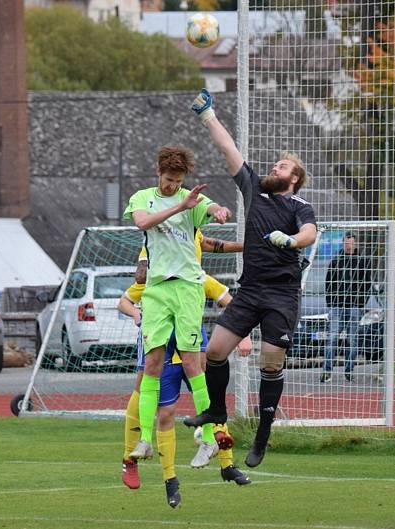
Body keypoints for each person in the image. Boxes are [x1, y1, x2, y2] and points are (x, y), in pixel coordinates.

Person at [183, 89, 317, 468]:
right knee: (215, 351)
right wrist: (208, 116)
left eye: (283, 167)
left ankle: (262, 437)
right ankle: (214, 414)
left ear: (295, 180)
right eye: (274, 165)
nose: (275, 168)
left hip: (281, 295)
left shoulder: (300, 206)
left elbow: (310, 235)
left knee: (270, 363)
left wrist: (290, 240)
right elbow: (230, 150)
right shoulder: (254, 190)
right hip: (251, 290)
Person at [122, 146, 232, 468]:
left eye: (179, 180)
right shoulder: (143, 198)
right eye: (169, 179)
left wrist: (218, 210)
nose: (173, 185)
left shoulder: (191, 199)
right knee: (152, 365)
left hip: (186, 287)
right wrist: (177, 207)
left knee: (192, 364)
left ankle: (209, 440)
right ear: (159, 173)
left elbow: (210, 207)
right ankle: (144, 440)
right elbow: (142, 223)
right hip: (156, 289)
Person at [119, 230, 248, 493]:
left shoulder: (198, 277)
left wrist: (242, 334)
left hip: (191, 351)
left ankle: (226, 463)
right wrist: (135, 313)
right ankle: (130, 459)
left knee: (212, 401)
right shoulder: (156, 268)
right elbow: (126, 297)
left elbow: (229, 299)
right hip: (159, 347)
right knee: (153, 401)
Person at [320, 232, 373, 383]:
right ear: (343, 244)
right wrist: (331, 304)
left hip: (355, 307)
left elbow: (367, 284)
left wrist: (361, 303)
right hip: (337, 307)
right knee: (332, 339)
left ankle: (349, 371)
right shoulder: (336, 261)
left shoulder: (362, 262)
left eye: (351, 242)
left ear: (355, 244)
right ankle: (327, 371)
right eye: (346, 242)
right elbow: (328, 284)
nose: (349, 245)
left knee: (352, 340)